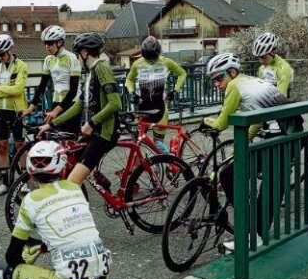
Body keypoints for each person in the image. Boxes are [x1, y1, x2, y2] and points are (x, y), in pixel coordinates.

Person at [0, 140, 111, 279]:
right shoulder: (74, 188)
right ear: (62, 165)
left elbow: (11, 257)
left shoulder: (30, 201)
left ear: (30, 170)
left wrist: (24, 261)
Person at [202, 52, 289, 249]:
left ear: (232, 72)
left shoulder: (234, 85)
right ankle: (254, 235)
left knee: (229, 175)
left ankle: (250, 233)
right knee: (270, 187)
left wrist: (205, 121)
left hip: (279, 138)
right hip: (289, 135)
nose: (216, 83)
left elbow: (221, 123)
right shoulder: (251, 80)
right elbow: (257, 119)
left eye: (218, 77)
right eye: (213, 80)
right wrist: (242, 146)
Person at [40, 32, 121, 186]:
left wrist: (91, 123)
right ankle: (103, 184)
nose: (77, 59)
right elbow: (78, 105)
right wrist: (51, 124)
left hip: (105, 133)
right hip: (94, 132)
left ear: (85, 53)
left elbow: (115, 103)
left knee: (72, 182)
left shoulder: (101, 68)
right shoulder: (90, 73)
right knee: (72, 162)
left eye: (78, 55)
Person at [125, 35, 186, 152]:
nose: (151, 60)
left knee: (158, 143)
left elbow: (182, 73)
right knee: (138, 142)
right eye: (148, 58)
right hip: (143, 110)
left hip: (161, 110)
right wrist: (132, 92)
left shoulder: (166, 62)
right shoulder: (137, 64)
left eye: (154, 57)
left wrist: (175, 90)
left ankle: (169, 164)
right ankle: (136, 168)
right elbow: (129, 79)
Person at [0, 34, 29, 196]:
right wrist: (6, 89)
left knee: (20, 146)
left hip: (17, 111)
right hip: (0, 111)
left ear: (10, 50)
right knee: (2, 147)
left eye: (2, 54)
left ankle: (23, 181)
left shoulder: (21, 66)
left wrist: (0, 88)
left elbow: (18, 89)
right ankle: (5, 182)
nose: (0, 57)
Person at [22, 25, 81, 134]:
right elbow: (42, 86)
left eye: (49, 43)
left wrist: (55, 111)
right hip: (56, 102)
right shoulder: (48, 60)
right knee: (55, 139)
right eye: (45, 43)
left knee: (70, 139)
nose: (46, 47)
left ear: (59, 42)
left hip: (72, 103)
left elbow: (73, 91)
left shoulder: (72, 58)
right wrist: (30, 108)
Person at [252, 32, 294, 97]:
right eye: (258, 57)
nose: (261, 61)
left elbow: (280, 97)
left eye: (264, 57)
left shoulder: (283, 68)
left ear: (273, 52)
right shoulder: (262, 68)